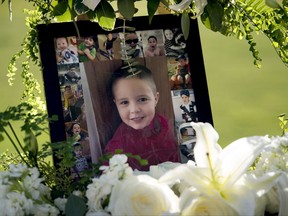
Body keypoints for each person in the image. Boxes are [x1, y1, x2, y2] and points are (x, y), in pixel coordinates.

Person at [104, 65, 180, 171]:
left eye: (142, 99)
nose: (134, 109)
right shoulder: (118, 145)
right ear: (116, 104)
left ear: (156, 99)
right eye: (124, 102)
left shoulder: (165, 125)